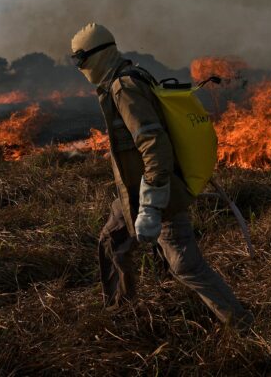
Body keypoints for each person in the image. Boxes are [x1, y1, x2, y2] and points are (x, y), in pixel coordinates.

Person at [70, 22, 253, 328]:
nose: (80, 67)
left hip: (157, 190)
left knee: (185, 265)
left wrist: (152, 206)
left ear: (97, 55)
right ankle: (121, 313)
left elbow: (154, 145)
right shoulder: (127, 75)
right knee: (112, 242)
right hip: (134, 191)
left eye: (80, 59)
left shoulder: (124, 87)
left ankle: (244, 324)